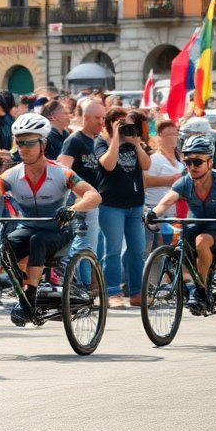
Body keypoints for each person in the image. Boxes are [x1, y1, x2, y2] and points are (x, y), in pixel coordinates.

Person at [0, 113, 102, 326]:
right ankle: (23, 294)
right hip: (28, 227)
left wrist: (73, 209)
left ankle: (29, 296)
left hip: (58, 231)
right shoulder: (12, 174)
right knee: (5, 246)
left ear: (43, 144)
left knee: (37, 240)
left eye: (30, 143)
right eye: (20, 143)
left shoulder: (60, 172)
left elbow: (94, 195)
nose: (24, 148)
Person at [147, 135, 216, 313]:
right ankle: (192, 287)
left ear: (210, 161)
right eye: (188, 162)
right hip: (197, 226)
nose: (192, 167)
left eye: (197, 162)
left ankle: (200, 289)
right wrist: (153, 213)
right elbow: (167, 202)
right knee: (180, 246)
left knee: (201, 241)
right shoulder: (186, 181)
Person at [94, 109, 149, 307]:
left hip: (135, 204)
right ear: (108, 124)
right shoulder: (101, 143)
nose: (123, 126)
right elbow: (108, 165)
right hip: (111, 205)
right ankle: (112, 293)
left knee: (137, 249)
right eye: (118, 122)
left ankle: (136, 293)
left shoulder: (132, 142)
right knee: (113, 250)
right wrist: (116, 138)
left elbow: (146, 165)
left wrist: (136, 144)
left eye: (125, 122)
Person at [59, 100, 105, 278]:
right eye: (96, 118)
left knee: (89, 247)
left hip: (92, 200)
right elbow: (63, 169)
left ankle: (82, 285)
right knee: (83, 245)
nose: (101, 122)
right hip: (81, 200)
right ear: (85, 118)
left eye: (103, 118)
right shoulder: (75, 140)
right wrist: (77, 196)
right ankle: (79, 285)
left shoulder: (97, 140)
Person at [144, 120, 186, 250]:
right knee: (155, 251)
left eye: (175, 133)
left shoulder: (179, 160)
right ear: (159, 136)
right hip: (157, 212)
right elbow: (145, 181)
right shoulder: (154, 159)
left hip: (176, 214)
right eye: (168, 134)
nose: (172, 138)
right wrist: (173, 180)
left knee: (171, 253)